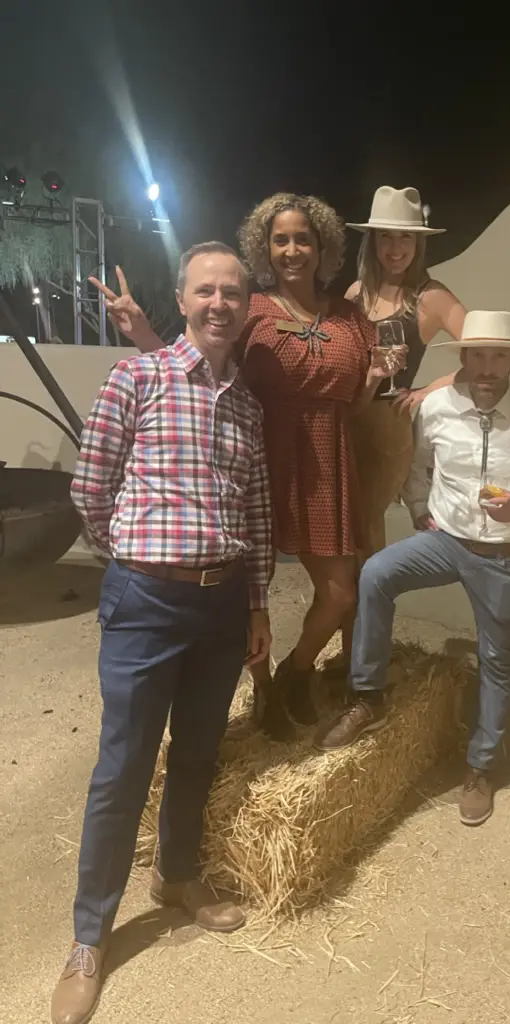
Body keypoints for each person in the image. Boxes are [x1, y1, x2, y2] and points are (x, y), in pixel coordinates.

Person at [54, 242, 273, 1024]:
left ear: (246, 306)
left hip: (222, 609)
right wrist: (138, 563)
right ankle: (90, 936)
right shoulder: (136, 378)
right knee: (122, 767)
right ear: (181, 300)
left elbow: (255, 512)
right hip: (146, 601)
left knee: (199, 753)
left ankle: (176, 876)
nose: (220, 303)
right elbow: (90, 486)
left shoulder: (245, 405)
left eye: (233, 293)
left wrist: (255, 603)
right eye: (206, 290)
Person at [97, 194, 402, 737]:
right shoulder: (248, 308)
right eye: (279, 239)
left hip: (327, 459)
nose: (291, 250)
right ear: (265, 247)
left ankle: (293, 672)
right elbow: (194, 366)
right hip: (251, 452)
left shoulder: (353, 320)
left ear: (322, 246)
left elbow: (354, 406)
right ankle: (264, 694)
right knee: (244, 589)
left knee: (340, 592)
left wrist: (376, 381)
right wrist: (143, 333)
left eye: (302, 238)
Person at [314, 310, 510, 827]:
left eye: (498, 354)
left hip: (503, 554)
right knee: (376, 575)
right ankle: (368, 696)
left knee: (497, 657)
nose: (486, 365)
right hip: (446, 541)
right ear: (463, 358)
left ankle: (480, 767)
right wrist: (418, 512)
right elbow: (418, 467)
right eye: (476, 354)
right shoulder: (436, 408)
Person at [323, 186, 466, 681]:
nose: (396, 248)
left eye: (405, 238)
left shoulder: (430, 297)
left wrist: (427, 390)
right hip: (349, 421)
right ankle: (354, 657)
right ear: (374, 241)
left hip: (387, 431)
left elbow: (482, 350)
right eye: (387, 237)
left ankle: (362, 666)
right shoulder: (352, 296)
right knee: (346, 541)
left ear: (418, 243)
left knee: (365, 538)